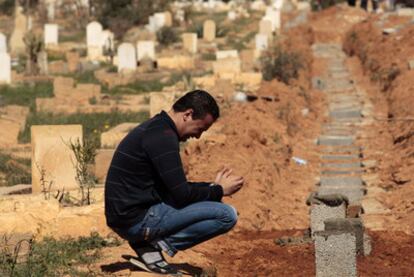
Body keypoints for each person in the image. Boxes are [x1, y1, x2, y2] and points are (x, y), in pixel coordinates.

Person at [105, 90, 244, 274]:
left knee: (213, 201)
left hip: (126, 216)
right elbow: (181, 196)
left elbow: (174, 188)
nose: (198, 136)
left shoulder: (157, 128)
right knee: (227, 215)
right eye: (200, 128)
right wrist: (218, 191)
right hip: (135, 220)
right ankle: (156, 247)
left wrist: (212, 188)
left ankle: (148, 244)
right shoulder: (163, 138)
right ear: (188, 114)